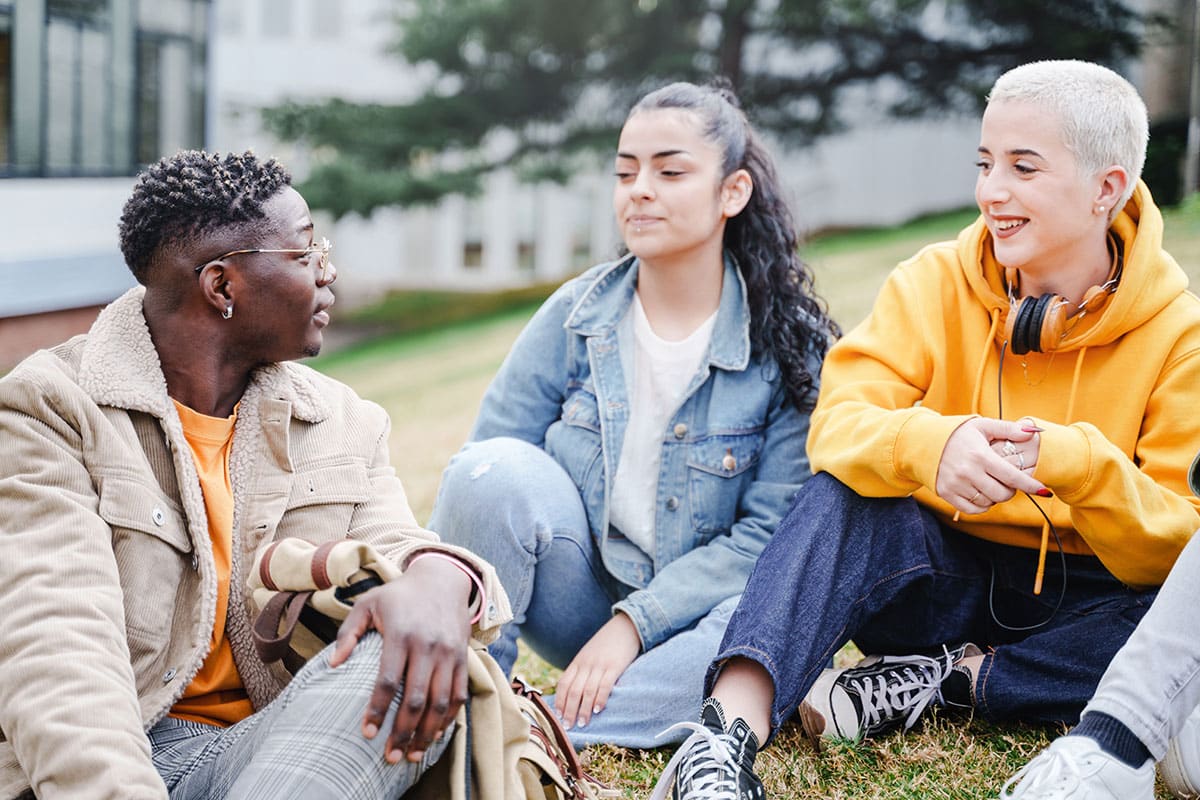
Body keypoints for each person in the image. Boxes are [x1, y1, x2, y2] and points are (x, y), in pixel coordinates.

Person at [651, 59, 1200, 799]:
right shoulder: (932, 281)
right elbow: (838, 426)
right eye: (985, 163)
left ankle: (954, 685)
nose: (991, 191)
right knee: (838, 497)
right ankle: (720, 740)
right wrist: (929, 447)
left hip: (1091, 604)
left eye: (1023, 167)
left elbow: (1177, 547)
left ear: (1107, 189)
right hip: (939, 580)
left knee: (1176, 630)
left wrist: (1081, 465)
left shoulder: (1179, 334)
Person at [0, 150, 512, 800]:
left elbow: (395, 542)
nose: (329, 274)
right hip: (115, 759)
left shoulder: (345, 421)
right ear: (222, 286)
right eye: (305, 255)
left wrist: (441, 578)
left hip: (275, 755)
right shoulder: (48, 408)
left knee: (403, 646)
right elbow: (56, 652)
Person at [428, 80, 840, 749]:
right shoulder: (575, 314)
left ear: (732, 192)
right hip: (578, 605)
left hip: (695, 621)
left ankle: (539, 736)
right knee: (487, 472)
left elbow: (766, 540)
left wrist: (636, 626)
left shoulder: (791, 350)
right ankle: (462, 699)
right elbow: (483, 475)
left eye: (670, 171)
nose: (639, 189)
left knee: (763, 625)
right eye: (626, 171)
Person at [999, 452, 1200, 799]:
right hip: (953, 551)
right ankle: (1117, 743)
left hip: (1107, 583)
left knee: (1139, 614)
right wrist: (934, 447)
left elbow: (1178, 533)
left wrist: (1076, 460)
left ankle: (1119, 741)